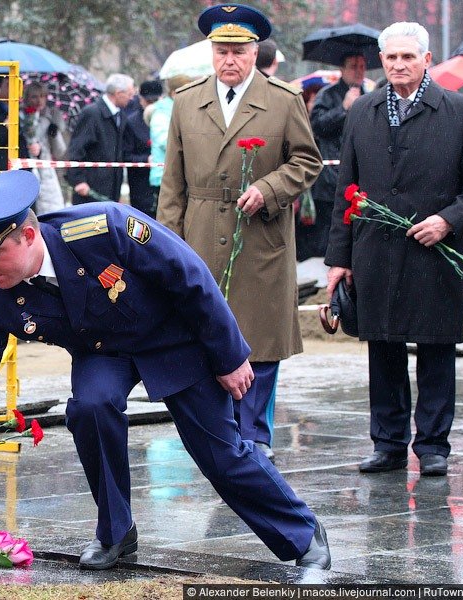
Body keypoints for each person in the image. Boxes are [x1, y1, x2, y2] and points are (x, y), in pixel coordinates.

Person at [0, 169, 331, 571]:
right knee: (91, 407)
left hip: (174, 338)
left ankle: (302, 534)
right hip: (103, 351)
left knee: (220, 453)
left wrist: (229, 357)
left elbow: (190, 276)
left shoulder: (105, 228)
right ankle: (115, 532)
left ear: (30, 236)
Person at [157, 3, 322, 461]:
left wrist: (269, 188)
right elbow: (173, 183)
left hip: (260, 236)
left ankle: (255, 436)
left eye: (239, 51)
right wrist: (167, 247)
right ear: (211, 52)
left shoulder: (284, 100)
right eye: (222, 51)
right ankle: (221, 432)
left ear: (255, 52)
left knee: (260, 337)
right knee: (205, 332)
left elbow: (307, 162)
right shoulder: (187, 101)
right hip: (201, 232)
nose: (230, 60)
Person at [325, 22, 463, 477]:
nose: (398, 65)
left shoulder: (462, 112)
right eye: (391, 57)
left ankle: (433, 444)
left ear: (427, 60)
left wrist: (448, 219)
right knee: (383, 346)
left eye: (408, 57)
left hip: (436, 250)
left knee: (436, 347)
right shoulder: (363, 111)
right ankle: (388, 442)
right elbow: (345, 190)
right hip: (376, 249)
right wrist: (339, 259)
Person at [303, 53, 368, 261]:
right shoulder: (327, 94)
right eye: (353, 66)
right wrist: (343, 109)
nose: (358, 70)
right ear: (342, 69)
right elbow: (318, 126)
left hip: (361, 174)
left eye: (362, 66)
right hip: (330, 178)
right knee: (329, 234)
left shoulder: (369, 94)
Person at [65, 73, 135, 204]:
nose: (131, 99)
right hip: (90, 188)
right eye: (130, 94)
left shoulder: (121, 116)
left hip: (111, 188)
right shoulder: (92, 113)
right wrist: (78, 180)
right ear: (118, 93)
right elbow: (76, 149)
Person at [19, 81, 66, 214]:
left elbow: (60, 151)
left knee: (51, 206)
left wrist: (54, 134)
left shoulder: (51, 116)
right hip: (25, 166)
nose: (39, 100)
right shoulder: (20, 116)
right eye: (34, 97)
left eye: (43, 96)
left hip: (45, 168)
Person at [148, 75, 192, 213]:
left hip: (183, 176)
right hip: (163, 177)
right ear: (174, 93)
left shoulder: (182, 109)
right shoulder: (160, 113)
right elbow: (164, 142)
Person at [123, 80, 162, 218]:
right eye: (148, 101)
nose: (152, 105)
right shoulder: (132, 122)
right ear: (141, 101)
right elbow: (125, 156)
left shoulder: (169, 118)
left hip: (165, 185)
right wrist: (146, 160)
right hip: (141, 187)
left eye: (155, 101)